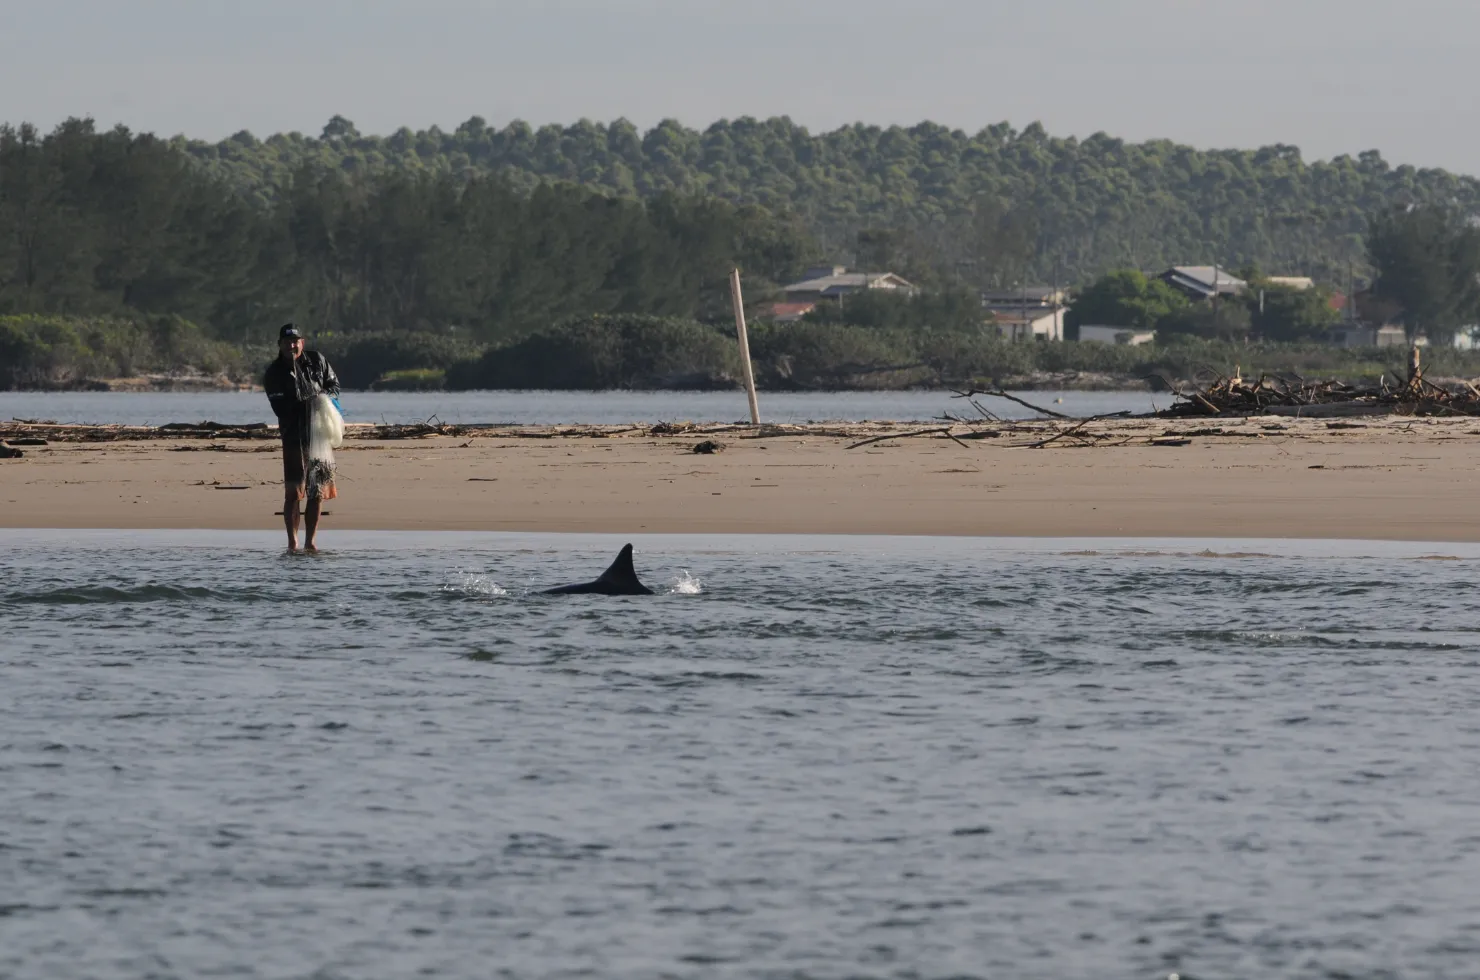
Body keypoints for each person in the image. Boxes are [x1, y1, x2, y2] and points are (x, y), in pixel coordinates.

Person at [264, 323, 341, 553]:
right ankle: (292, 542)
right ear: (280, 345)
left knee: (317, 492)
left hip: (319, 436)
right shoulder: (274, 373)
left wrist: (324, 398)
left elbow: (334, 385)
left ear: (302, 343)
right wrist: (309, 402)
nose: (292, 345)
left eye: (295, 341)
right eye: (287, 342)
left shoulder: (317, 361)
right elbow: (280, 407)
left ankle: (311, 542)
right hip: (293, 437)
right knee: (293, 493)